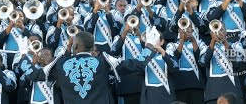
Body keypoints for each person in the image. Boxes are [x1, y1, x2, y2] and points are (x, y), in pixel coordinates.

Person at [18, 30, 160, 104]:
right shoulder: (104, 61)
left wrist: (24, 55)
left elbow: (34, 75)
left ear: (75, 46)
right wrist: (150, 46)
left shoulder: (60, 64)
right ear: (92, 47)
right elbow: (137, 64)